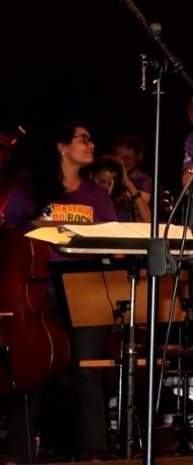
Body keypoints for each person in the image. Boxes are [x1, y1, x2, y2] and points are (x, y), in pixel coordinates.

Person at [2, 120, 117, 461]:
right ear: (61, 147)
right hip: (39, 291)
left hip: (87, 290)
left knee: (86, 371)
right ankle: (19, 453)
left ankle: (91, 453)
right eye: (83, 138)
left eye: (91, 138)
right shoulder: (31, 189)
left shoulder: (97, 194)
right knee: (33, 369)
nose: (91, 144)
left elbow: (114, 243)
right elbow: (11, 234)